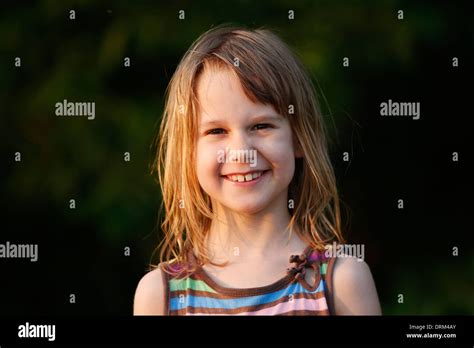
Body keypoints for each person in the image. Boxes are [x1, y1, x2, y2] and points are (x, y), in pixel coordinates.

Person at [134, 25, 381, 315]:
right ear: (189, 152)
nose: (242, 151)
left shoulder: (341, 283)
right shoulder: (161, 296)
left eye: (261, 126)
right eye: (216, 131)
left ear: (299, 137)